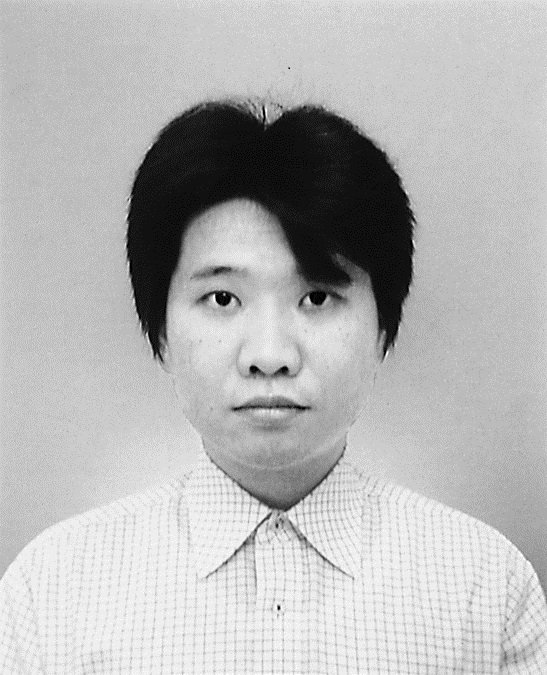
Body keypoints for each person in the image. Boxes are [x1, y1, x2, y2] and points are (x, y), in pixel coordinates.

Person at [1, 99, 546, 674]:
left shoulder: (485, 590)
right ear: (160, 331)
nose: (269, 356)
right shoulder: (52, 593)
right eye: (222, 298)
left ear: (383, 330)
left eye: (317, 297)